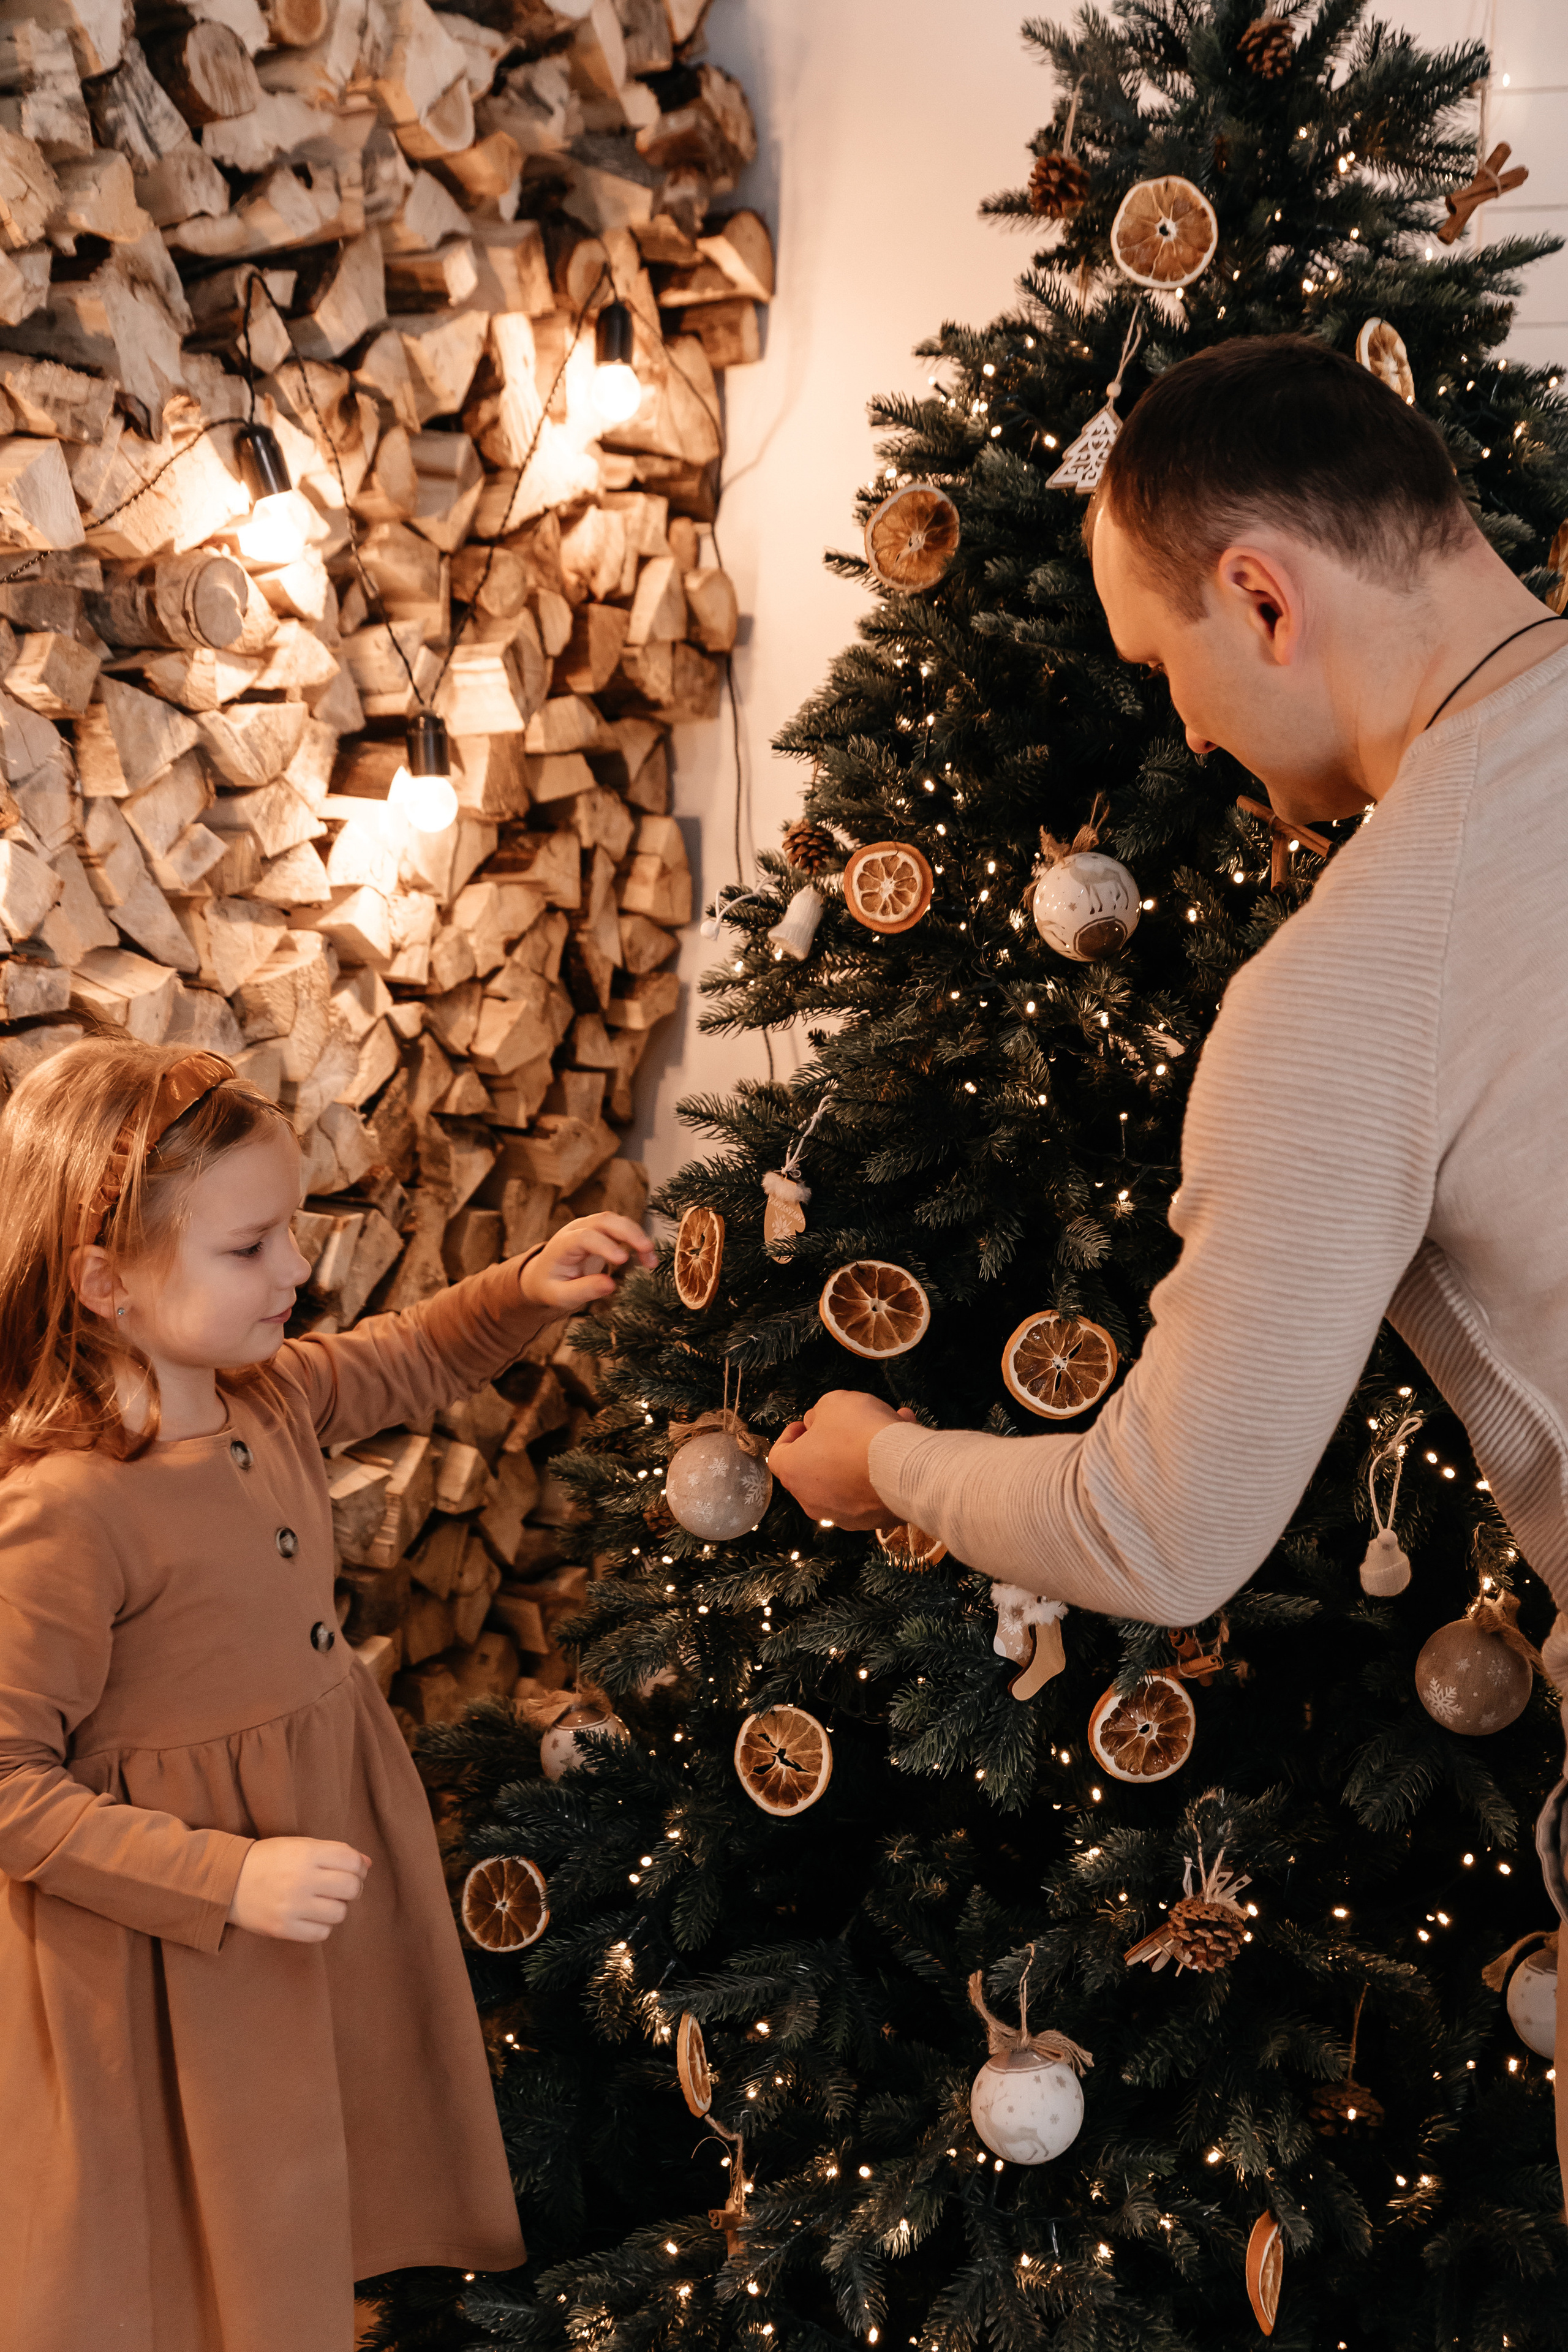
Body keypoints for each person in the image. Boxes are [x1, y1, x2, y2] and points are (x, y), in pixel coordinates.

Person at [766, 330, 1568, 2182]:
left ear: (1263, 597)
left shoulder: (1360, 974)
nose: (1185, 737)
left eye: (1163, 668)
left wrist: (883, 1459)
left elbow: (1162, 1529)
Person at [0, 1038, 656, 2352]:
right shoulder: (67, 1511)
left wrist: (524, 1287)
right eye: (250, 1247)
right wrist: (225, 1878)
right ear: (103, 1281)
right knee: (195, 2236)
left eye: (289, 1232)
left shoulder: (264, 1398)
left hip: (301, 1895)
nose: (295, 1269)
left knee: (296, 2185)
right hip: (166, 1944)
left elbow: (406, 1356)